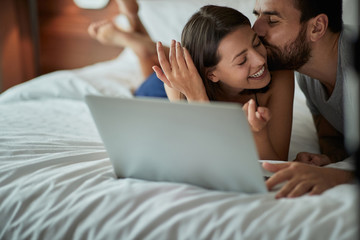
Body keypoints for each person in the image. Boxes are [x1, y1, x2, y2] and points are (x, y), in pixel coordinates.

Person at [88, 2, 295, 161]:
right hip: (163, 93)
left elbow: (276, 163)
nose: (261, 60)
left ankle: (139, 36)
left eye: (257, 43)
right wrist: (197, 97)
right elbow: (203, 153)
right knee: (152, 77)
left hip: (192, 76)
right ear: (212, 75)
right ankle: (139, 39)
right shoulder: (176, 84)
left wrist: (258, 134)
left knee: (171, 63)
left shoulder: (280, 75)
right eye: (242, 60)